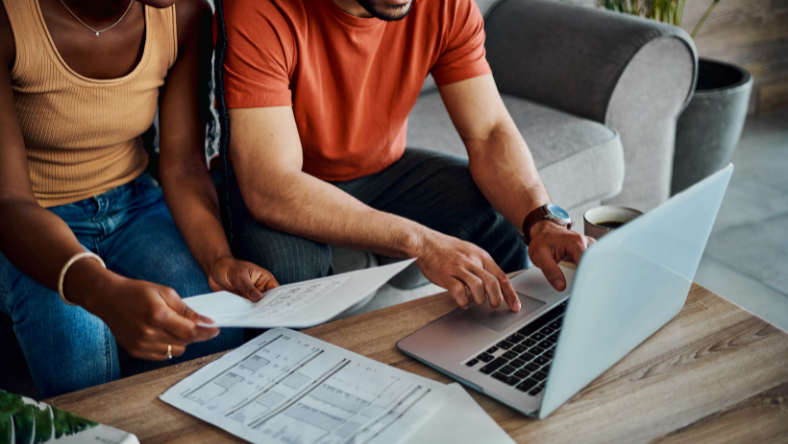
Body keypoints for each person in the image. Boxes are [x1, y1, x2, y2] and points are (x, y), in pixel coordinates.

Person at [213, 0, 595, 313]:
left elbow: (489, 132)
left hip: (384, 171)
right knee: (291, 278)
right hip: (287, 182)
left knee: (496, 217)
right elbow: (270, 182)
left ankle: (505, 360)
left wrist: (541, 219)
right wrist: (420, 242)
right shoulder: (258, 7)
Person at [0, 0, 278, 398]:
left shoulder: (184, 13)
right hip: (32, 219)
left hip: (135, 204)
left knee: (212, 328)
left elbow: (182, 164)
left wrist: (219, 260)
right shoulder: (10, 19)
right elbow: (8, 201)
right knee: (80, 352)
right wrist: (101, 290)